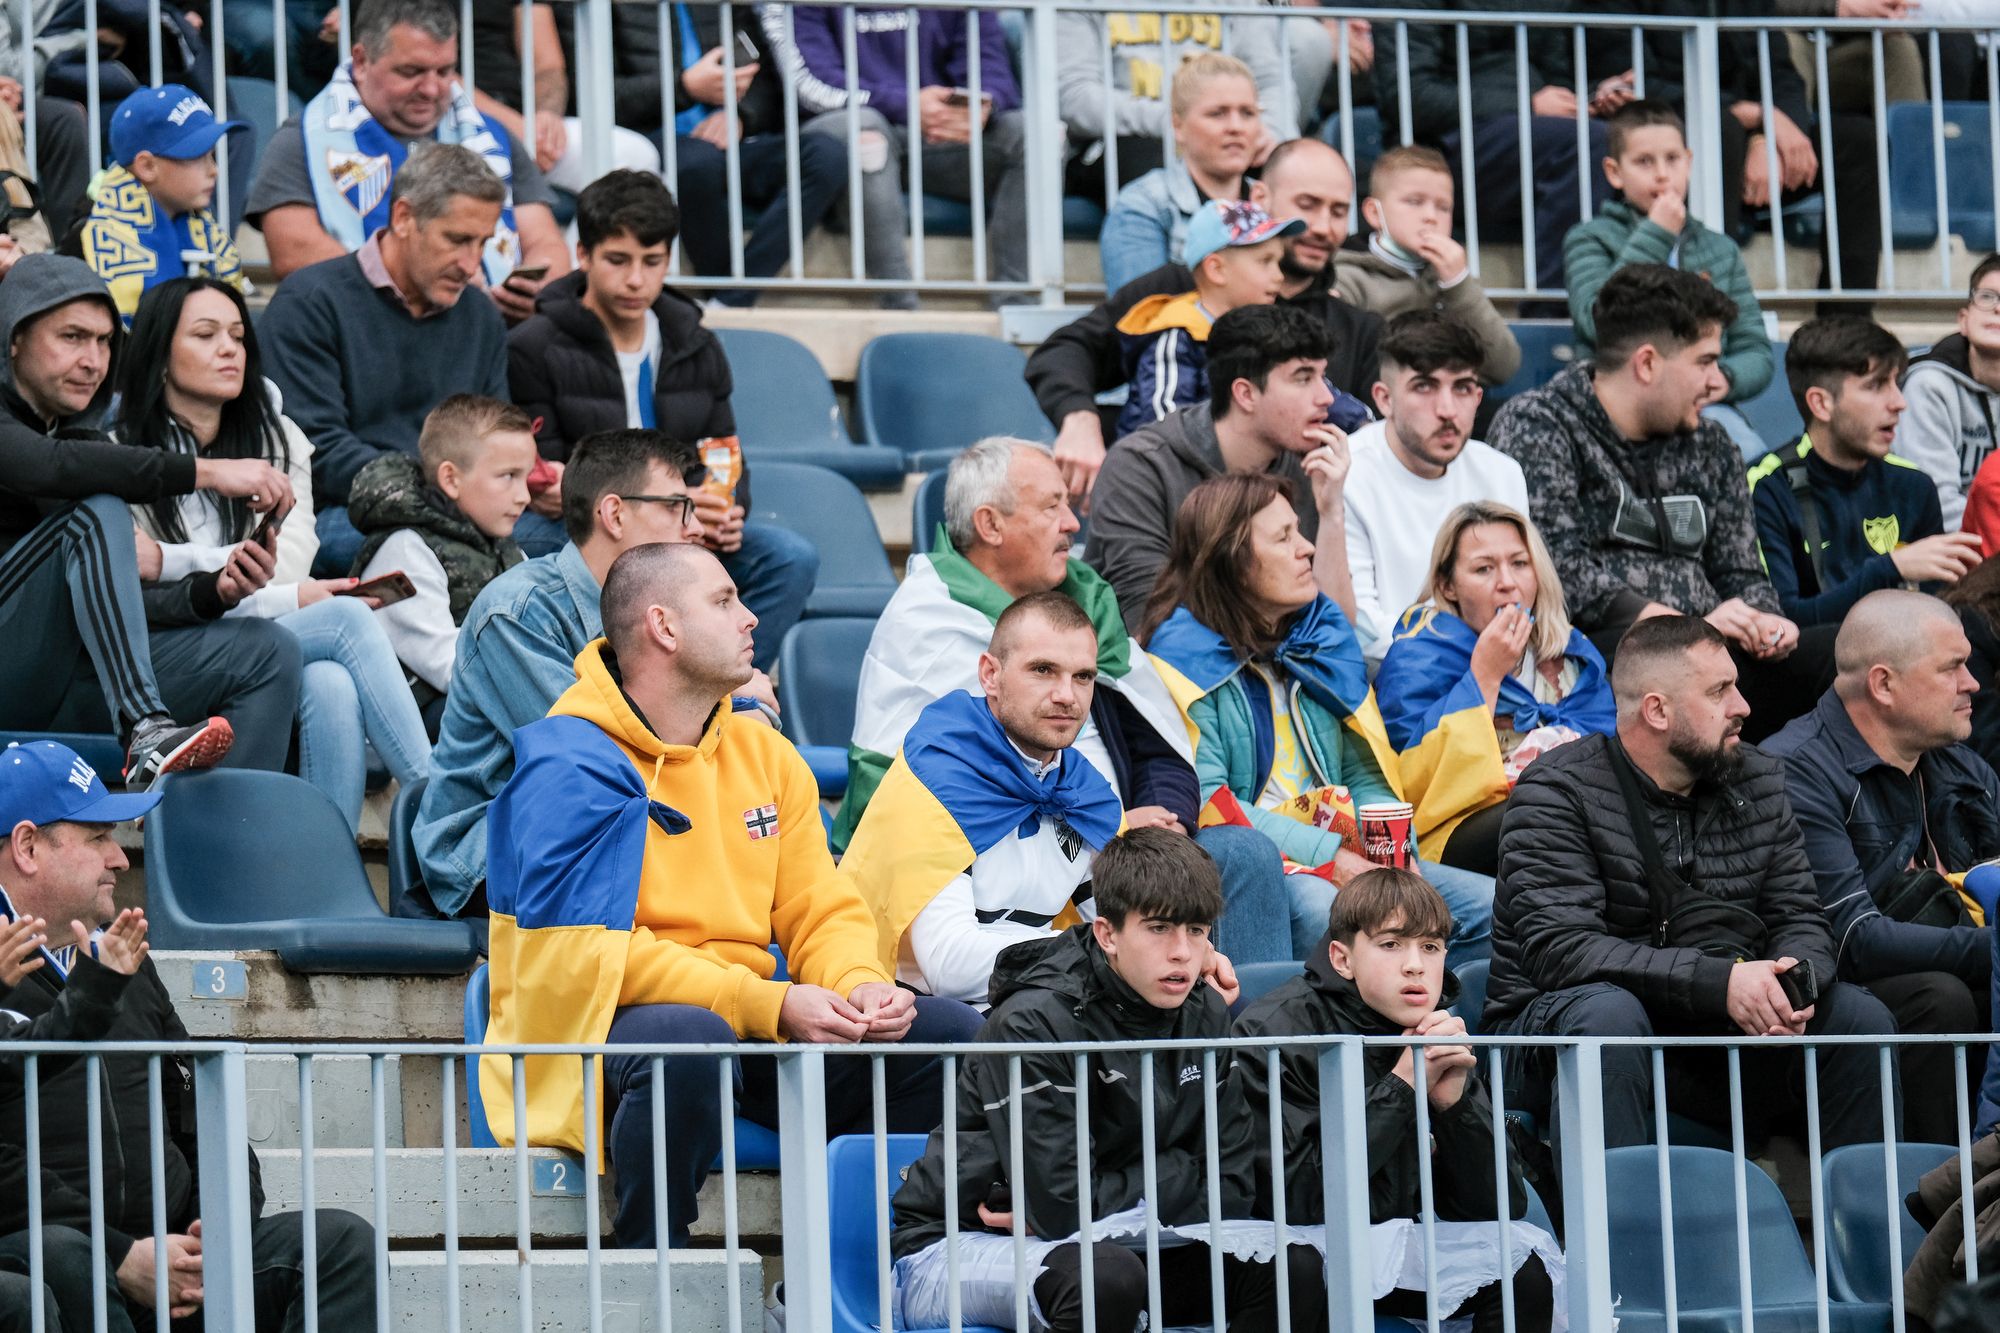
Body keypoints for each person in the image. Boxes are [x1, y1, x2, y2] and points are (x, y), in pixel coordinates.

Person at [481, 542, 980, 1248]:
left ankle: (894, 1254)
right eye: (723, 601)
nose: (749, 618)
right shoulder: (570, 762)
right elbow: (595, 955)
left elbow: (819, 906)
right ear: (663, 626)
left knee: (952, 1037)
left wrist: (860, 983)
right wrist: (770, 1003)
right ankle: (651, 1262)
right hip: (601, 1026)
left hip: (749, 1020)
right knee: (688, 1041)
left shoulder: (767, 755)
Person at [836, 439, 1294, 963]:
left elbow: (1157, 748)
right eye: (1052, 505)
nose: (1074, 523)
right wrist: (1106, 937)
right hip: (979, 899)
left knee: (1240, 861)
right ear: (990, 525)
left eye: (1082, 677)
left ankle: (1244, 1039)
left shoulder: (1090, 607)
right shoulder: (929, 630)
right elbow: (946, 942)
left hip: (1097, 844)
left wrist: (1156, 828)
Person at [1482, 614, 1900, 1151]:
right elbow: (1560, 951)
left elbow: (1799, 915)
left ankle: (1864, 1227)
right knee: (1610, 1014)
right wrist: (1720, 983)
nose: (1743, 707)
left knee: (1859, 1017)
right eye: (1720, 691)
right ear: (1657, 710)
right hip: (1557, 1033)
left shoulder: (1760, 778)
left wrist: (1793, 983)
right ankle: (1612, 1232)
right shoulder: (1556, 792)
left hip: (1711, 1030)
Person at [0, 740, 379, 1327]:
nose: (121, 859)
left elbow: (199, 1106)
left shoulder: (127, 958)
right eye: (98, 837)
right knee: (63, 1256)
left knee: (337, 1244)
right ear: (27, 847)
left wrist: (210, 1237)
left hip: (175, 1255)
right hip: (60, 1265)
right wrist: (122, 1254)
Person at [888, 828, 1328, 1333]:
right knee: (1106, 1281)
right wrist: (1183, 1172)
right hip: (956, 1245)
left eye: (1198, 931)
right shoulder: (1035, 1021)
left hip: (1126, 1239)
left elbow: (1233, 1186)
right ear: (1106, 934)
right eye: (1160, 929)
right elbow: (1060, 1205)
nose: (1183, 953)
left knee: (1291, 1268)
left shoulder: (1205, 1011)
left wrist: (1116, 1191)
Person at [116, 277, 431, 834]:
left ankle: (323, 860)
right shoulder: (123, 453)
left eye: (237, 335)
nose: (228, 348)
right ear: (161, 356)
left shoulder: (280, 442)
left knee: (330, 682)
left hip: (261, 635)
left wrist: (282, 591)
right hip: (158, 652)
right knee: (347, 616)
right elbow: (143, 588)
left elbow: (288, 562)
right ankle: (438, 798)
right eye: (206, 334)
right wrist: (290, 595)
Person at [1140, 473, 1495, 963]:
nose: (1307, 548)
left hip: (1349, 854)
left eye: (1299, 531)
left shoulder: (1320, 637)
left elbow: (1361, 771)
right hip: (1266, 865)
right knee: (1326, 910)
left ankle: (1444, 1036)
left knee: (1493, 909)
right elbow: (1210, 801)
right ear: (1232, 558)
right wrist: (1330, 859)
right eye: (1284, 537)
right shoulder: (1180, 657)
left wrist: (1393, 852)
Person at [410, 429, 748, 922]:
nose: (694, 527)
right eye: (677, 506)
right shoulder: (517, 611)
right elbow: (590, 757)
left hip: (610, 829)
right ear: (614, 514)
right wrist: (738, 706)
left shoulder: (670, 613)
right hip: (492, 851)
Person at [1490, 262, 1826, 740]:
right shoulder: (1540, 425)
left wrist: (1763, 620)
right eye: (1705, 361)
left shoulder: (1711, 443)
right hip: (1609, 662)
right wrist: (1686, 627)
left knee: (1841, 658)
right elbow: (1559, 572)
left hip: (1717, 655)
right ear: (1647, 363)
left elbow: (1740, 571)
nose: (1717, 381)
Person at [0, 253, 300, 785]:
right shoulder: (45, 448)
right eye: (72, 337)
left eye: (104, 341)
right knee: (97, 508)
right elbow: (45, 467)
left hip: (63, 679)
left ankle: (224, 852)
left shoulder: (78, 439)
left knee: (267, 650)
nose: (93, 360)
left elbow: (116, 607)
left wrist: (213, 592)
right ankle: (144, 727)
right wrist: (207, 471)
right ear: (14, 338)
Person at [505, 170, 820, 667]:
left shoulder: (695, 343)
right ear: (583, 255)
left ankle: (731, 689)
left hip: (680, 526)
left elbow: (724, 454)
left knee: (787, 556)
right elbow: (546, 477)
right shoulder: (533, 345)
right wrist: (665, 508)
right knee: (523, 540)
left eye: (652, 262)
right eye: (617, 260)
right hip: (587, 530)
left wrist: (722, 509)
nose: (636, 279)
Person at [1234, 867, 1559, 1331]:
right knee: (1298, 1270)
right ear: (1342, 959)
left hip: (1394, 1244)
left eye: (1430, 947)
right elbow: (1299, 1198)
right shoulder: (1274, 1030)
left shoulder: (1438, 1028)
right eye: (1391, 945)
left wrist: (1454, 1108)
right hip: (1293, 1251)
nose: (1415, 965)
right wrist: (1403, 1085)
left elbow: (1497, 1207)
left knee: (1522, 1273)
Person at [1029, 137, 1380, 506]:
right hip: (1191, 500)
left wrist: (1366, 427)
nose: (1323, 226)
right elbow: (1161, 421)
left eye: (1339, 211)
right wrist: (1080, 418)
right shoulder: (1175, 304)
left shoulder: (1358, 327)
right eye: (1307, 205)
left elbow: (1338, 405)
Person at [1762, 590, 1994, 1146]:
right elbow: (1852, 941)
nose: (1973, 684)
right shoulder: (1795, 771)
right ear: (1884, 685)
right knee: (1940, 998)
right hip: (1825, 1012)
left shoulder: (1959, 762)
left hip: (1957, 967)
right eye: (1952, 668)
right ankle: (1943, 1201)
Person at [841, 593, 1127, 1006]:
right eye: (1043, 670)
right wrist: (1093, 954)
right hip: (909, 1018)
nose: (1067, 695)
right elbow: (950, 968)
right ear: (990, 675)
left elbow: (1129, 920)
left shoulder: (1085, 792)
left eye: (1083, 677)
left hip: (1031, 1002)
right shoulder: (938, 778)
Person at [259, 140, 514, 577]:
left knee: (586, 540)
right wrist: (442, 489)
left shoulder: (481, 315)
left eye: (483, 244)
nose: (472, 265)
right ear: (403, 217)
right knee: (446, 559)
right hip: (341, 510)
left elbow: (495, 436)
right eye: (457, 240)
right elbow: (315, 450)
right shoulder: (310, 302)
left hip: (459, 505)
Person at [242, 0, 571, 319]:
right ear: (361, 60)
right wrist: (417, 283)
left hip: (494, 335)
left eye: (445, 72)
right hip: (365, 334)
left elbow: (545, 241)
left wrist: (537, 290)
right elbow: (293, 252)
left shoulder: (492, 136)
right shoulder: (304, 137)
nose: (430, 89)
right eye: (411, 71)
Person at [1375, 502, 1616, 878]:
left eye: (1520, 563)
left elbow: (1611, 747)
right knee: (1546, 805)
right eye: (1484, 568)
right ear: (1447, 586)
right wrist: (1485, 676)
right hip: (1451, 830)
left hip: (1571, 816)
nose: (1507, 582)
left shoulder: (1571, 655)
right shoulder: (1417, 657)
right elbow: (1411, 786)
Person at [1088, 304, 1353, 634]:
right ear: (1245, 394)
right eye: (1303, 379)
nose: (1326, 397)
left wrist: (1332, 516)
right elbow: (1149, 617)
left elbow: (1338, 634)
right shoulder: (1142, 467)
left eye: (1323, 376)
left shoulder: (1312, 466)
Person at [774, 3, 1028, 307]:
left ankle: (1016, 304)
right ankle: (899, 305)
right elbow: (814, 86)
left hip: (940, 136)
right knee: (866, 132)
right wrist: (907, 104)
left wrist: (979, 105)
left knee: (1034, 133)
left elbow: (990, 68)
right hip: (854, 130)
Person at [1563, 98, 1773, 448]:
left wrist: (1725, 377)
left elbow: (1755, 349)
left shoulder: (1721, 250)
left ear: (1689, 162)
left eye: (1672, 159)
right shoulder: (1589, 239)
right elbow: (1596, 320)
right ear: (1615, 172)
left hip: (1705, 409)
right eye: (1644, 161)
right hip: (1616, 411)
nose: (1662, 174)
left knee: (1749, 455)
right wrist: (1656, 234)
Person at [1750, 317, 1977, 628]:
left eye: (1896, 384)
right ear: (1821, 403)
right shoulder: (1766, 485)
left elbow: (1937, 614)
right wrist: (1891, 568)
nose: (1899, 403)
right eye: (1875, 386)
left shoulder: (1914, 485)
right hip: (1812, 668)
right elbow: (1782, 625)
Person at [1373, 5, 1609, 293]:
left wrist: (1588, 98)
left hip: (1525, 133)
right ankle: (1554, 307)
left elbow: (1556, 79)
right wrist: (1527, 104)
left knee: (1626, 138)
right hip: (1444, 144)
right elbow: (1412, 95)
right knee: (1588, 142)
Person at [1341, 311, 1529, 663]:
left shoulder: (1502, 473)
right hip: (1389, 687)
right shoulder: (1347, 473)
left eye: (1462, 388)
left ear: (1478, 397)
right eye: (1424, 386)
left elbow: (1521, 602)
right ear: (1384, 399)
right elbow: (1360, 629)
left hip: (1500, 674)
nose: (1447, 410)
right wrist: (1476, 660)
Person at [638, 3, 844, 306]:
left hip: (734, 143)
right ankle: (725, 293)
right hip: (649, 141)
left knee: (828, 153)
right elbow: (599, 95)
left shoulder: (731, 6)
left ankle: (730, 300)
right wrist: (684, 88)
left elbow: (765, 80)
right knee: (697, 162)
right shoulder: (606, 8)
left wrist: (740, 116)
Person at [348, 395, 534, 720]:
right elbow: (444, 664)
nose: (524, 496)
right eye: (508, 476)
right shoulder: (407, 549)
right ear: (451, 479)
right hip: (423, 720)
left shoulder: (506, 548)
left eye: (526, 477)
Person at [1055, 7, 1296, 205]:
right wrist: (1176, 120)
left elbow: (1271, 80)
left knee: (1292, 170)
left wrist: (1268, 130)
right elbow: (1074, 96)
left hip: (1221, 132)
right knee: (1153, 166)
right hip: (1122, 140)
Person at [1331, 146, 1519, 387]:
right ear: (1374, 213)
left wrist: (1458, 284)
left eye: (1443, 207)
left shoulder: (1452, 281)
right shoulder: (1348, 278)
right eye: (1415, 202)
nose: (1431, 216)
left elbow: (1503, 367)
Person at [1113, 199, 1300, 439]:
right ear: (1216, 269)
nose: (1279, 276)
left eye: (1279, 262)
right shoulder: (1177, 339)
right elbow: (1167, 428)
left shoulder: (1271, 334)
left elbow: (1313, 394)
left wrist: (1360, 420)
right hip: (1171, 472)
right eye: (1265, 262)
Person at [1099, 52, 1276, 295]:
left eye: (1247, 113)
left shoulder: (1273, 203)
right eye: (1218, 113)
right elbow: (1141, 319)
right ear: (1178, 126)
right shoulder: (1143, 205)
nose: (1236, 127)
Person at [79, 85, 250, 325]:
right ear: (147, 166)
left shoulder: (206, 229)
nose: (214, 170)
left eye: (213, 156)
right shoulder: (89, 237)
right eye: (197, 156)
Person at [461, 0, 661, 193]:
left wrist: (546, 116)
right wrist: (516, 129)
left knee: (635, 156)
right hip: (459, 121)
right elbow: (436, 73)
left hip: (528, 123)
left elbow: (548, 67)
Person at [1896, 254, 2000, 530]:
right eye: (1987, 297)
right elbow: (1933, 505)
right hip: (1940, 550)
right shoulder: (1929, 386)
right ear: (1964, 320)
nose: (1997, 308)